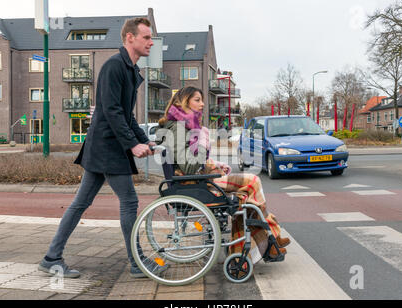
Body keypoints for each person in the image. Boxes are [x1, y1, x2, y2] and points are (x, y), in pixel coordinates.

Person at [38, 17, 167, 279]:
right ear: (130, 38)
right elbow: (111, 111)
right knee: (129, 202)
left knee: (80, 203)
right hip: (107, 147)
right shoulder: (114, 66)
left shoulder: (130, 69)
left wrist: (144, 140)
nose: (151, 42)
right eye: (146, 37)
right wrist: (132, 145)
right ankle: (137, 262)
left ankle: (52, 256)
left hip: (105, 145)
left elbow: (128, 116)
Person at [157, 87, 290, 265]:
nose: (202, 103)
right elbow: (189, 167)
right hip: (193, 183)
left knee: (244, 197)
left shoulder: (185, 125)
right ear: (184, 101)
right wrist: (204, 142)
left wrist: (214, 164)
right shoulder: (177, 128)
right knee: (252, 182)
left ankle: (253, 247)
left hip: (198, 179)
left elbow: (192, 160)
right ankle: (271, 236)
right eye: (197, 99)